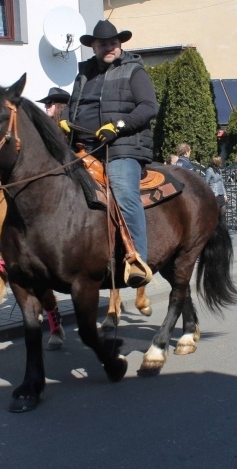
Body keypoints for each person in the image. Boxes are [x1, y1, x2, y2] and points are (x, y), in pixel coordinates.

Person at [60, 19, 158, 287]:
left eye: (113, 43)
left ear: (120, 44)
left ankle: (137, 259)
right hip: (83, 147)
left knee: (124, 191)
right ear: (93, 46)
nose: (109, 47)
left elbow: (149, 106)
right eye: (103, 44)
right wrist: (65, 118)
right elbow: (73, 104)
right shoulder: (84, 74)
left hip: (122, 147)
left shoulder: (133, 71)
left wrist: (118, 126)